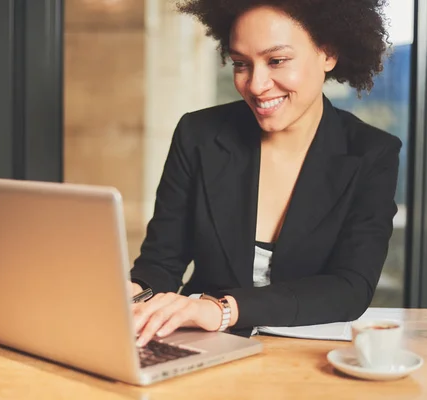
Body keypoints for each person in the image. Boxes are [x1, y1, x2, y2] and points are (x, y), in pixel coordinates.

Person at [129, 0, 400, 347]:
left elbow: (350, 287)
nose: (256, 85)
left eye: (277, 61)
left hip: (306, 355)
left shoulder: (371, 153)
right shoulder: (198, 135)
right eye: (241, 64)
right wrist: (133, 291)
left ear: (327, 54)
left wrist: (222, 309)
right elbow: (161, 263)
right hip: (201, 346)